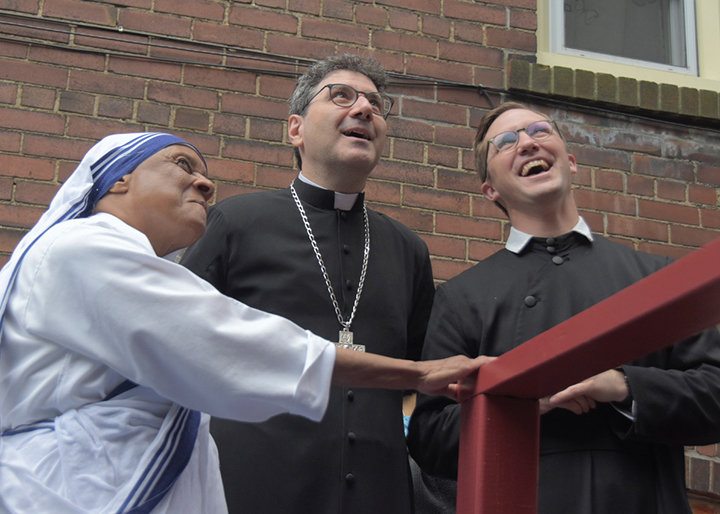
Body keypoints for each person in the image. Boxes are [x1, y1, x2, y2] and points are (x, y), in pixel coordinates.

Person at [0, 132, 490, 514]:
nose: (205, 183)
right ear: (117, 180)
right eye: (182, 164)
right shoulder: (81, 249)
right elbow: (224, 339)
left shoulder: (404, 247)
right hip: (71, 488)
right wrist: (416, 374)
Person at [407, 102, 720, 514]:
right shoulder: (461, 299)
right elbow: (429, 438)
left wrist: (624, 386)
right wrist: (524, 403)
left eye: (539, 130)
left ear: (571, 163)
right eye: (505, 142)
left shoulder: (655, 276)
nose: (527, 143)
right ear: (491, 191)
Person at [180, 54, 435, 514]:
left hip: (380, 493)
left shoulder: (408, 249)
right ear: (295, 129)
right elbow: (178, 341)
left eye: (376, 104)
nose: (364, 110)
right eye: (342, 96)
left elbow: (419, 376)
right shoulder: (236, 222)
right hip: (251, 486)